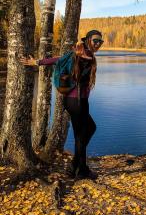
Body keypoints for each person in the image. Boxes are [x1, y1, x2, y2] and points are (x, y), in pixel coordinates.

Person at [20, 30, 104, 179]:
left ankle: (76, 166)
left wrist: (38, 62)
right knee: (82, 134)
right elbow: (61, 60)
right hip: (77, 101)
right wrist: (37, 62)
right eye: (95, 40)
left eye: (100, 42)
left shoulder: (87, 54)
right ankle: (79, 169)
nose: (98, 44)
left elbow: (59, 59)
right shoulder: (81, 53)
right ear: (89, 39)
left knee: (87, 130)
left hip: (75, 101)